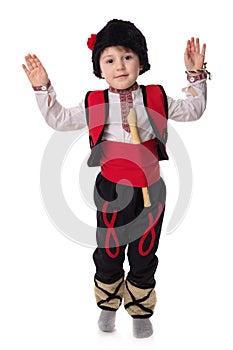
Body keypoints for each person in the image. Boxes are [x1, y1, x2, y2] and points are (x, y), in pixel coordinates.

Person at [22, 19, 209, 338]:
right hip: (112, 192)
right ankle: (107, 304)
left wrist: (196, 76)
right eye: (109, 59)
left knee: (144, 252)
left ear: (141, 61)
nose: (119, 66)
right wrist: (43, 88)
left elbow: (194, 110)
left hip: (151, 191)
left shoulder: (155, 98)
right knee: (109, 250)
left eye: (127, 56)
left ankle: (140, 309)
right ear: (99, 68)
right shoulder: (96, 103)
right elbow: (59, 119)